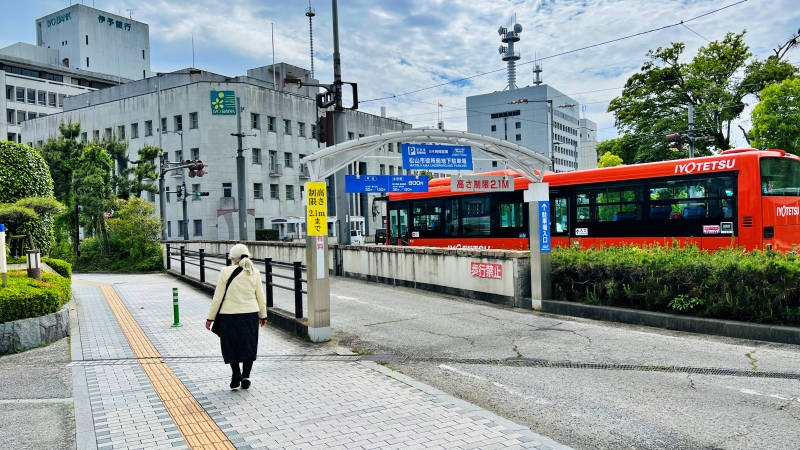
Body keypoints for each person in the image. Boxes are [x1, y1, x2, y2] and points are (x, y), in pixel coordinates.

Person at [205, 244, 267, 390]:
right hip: (250, 314)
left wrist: (210, 318)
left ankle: (236, 372)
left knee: (231, 345)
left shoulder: (225, 271)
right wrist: (263, 315)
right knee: (248, 345)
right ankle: (246, 378)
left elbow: (218, 297)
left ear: (232, 258)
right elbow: (260, 296)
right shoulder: (254, 272)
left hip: (229, 315)